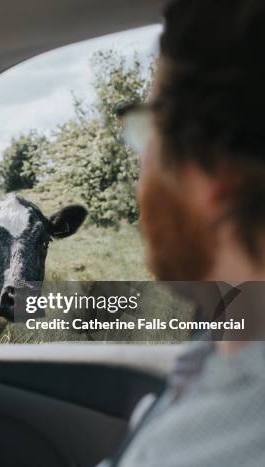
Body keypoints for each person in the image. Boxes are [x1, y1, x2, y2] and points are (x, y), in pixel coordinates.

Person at [102, 0, 265, 465]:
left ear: (214, 174)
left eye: (147, 128)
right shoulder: (222, 340)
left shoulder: (229, 445)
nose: (140, 171)